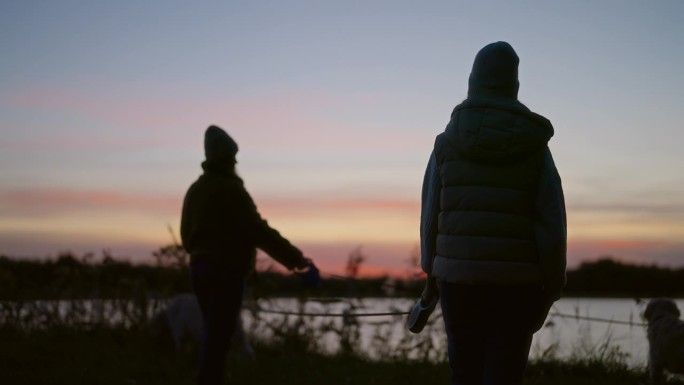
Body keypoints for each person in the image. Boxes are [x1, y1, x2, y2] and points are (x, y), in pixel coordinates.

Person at [420, 42, 567, 385]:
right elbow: (551, 223)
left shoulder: (445, 145)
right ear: (514, 86)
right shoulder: (535, 149)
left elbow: (430, 215)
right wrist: (554, 284)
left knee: (464, 372)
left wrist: (431, 272)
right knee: (505, 374)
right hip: (517, 284)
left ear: (472, 81)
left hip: (457, 279)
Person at [181, 125, 314, 385]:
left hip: (199, 270)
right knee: (219, 336)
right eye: (232, 157)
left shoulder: (194, 191)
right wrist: (294, 259)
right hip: (225, 272)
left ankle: (209, 377)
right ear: (227, 159)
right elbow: (258, 231)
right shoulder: (232, 190)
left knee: (213, 332)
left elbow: (187, 237)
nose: (235, 162)